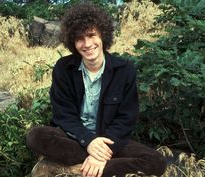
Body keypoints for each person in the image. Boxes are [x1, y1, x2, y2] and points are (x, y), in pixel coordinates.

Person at [26, 2, 167, 177]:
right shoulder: (64, 68)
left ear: (102, 35)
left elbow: (126, 117)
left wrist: (101, 151)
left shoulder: (124, 70)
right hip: (74, 138)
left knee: (156, 162)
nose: (87, 44)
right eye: (80, 38)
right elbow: (63, 115)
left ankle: (79, 169)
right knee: (36, 136)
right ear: (72, 41)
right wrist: (89, 142)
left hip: (109, 141)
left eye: (92, 35)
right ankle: (99, 166)